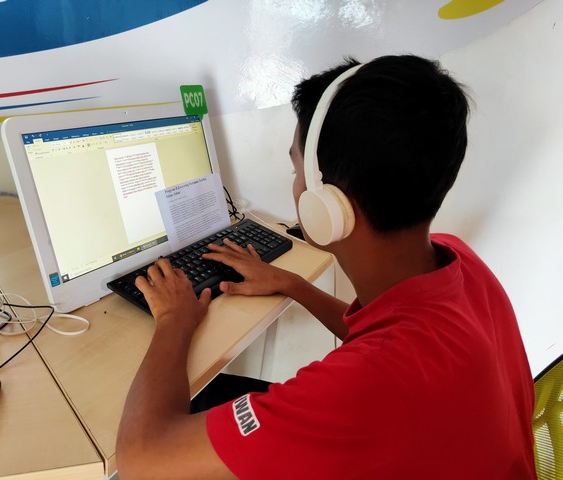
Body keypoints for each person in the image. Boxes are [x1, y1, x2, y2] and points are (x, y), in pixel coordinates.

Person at [115, 55, 536, 479]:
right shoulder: (459, 262)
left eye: (296, 168)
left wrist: (173, 320)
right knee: (215, 394)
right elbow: (388, 337)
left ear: (327, 205)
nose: (295, 183)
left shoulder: (364, 388)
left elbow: (141, 460)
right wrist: (293, 284)